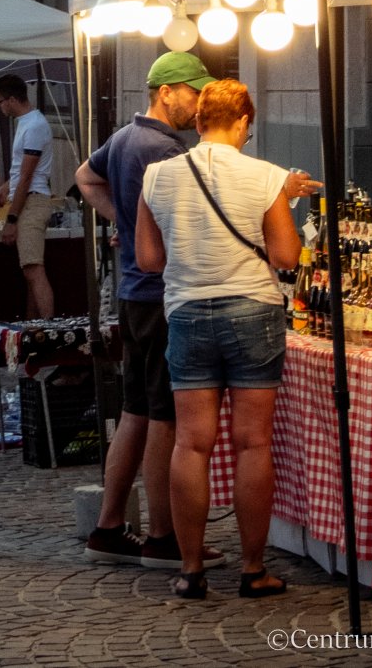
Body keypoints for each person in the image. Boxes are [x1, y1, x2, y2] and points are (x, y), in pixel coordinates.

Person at [136, 78, 302, 601]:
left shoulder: (157, 177)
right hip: (253, 309)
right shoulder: (266, 176)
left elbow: (149, 260)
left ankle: (190, 571)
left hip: (186, 312)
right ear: (244, 122)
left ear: (200, 119)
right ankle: (253, 571)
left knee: (191, 443)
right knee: (252, 442)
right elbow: (286, 257)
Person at [76, 52, 230, 570]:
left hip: (131, 293)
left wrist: (122, 220)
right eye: (193, 91)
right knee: (165, 416)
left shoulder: (123, 138)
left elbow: (84, 177)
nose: (199, 102)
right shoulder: (164, 149)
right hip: (163, 293)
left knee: (135, 412)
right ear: (166, 92)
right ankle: (165, 536)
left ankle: (109, 525)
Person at [0, 73, 55, 319]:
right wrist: (6, 188)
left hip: (32, 200)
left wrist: (12, 218)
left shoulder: (35, 126)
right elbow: (22, 172)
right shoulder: (28, 123)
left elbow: (28, 176)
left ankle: (49, 327)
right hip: (28, 196)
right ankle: (33, 324)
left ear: (11, 99)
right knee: (29, 268)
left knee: (34, 269)